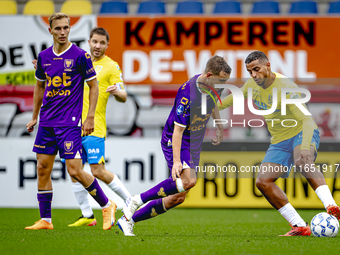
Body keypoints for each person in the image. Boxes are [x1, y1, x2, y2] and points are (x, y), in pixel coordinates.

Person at [218, 51, 340, 236]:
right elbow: (230, 100)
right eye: (250, 71)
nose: (253, 75)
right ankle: (299, 226)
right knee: (263, 182)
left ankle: (331, 206)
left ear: (268, 66)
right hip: (280, 140)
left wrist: (306, 146)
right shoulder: (252, 85)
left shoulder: (286, 88)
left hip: (302, 132)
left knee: (302, 161)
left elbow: (307, 120)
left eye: (257, 70)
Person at [117, 55, 231, 236]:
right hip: (177, 140)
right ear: (209, 75)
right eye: (221, 81)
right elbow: (177, 131)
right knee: (189, 181)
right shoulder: (188, 94)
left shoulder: (211, 86)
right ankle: (136, 199)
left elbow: (213, 101)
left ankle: (128, 220)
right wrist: (177, 161)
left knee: (177, 198)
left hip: (193, 143)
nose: (223, 86)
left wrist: (218, 125)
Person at [25, 13, 116, 230]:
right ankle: (46, 220)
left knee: (75, 170)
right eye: (58, 29)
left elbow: (94, 86)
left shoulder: (80, 55)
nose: (63, 32)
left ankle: (106, 205)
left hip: (69, 123)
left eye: (66, 28)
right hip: (47, 122)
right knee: (42, 168)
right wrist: (34, 116)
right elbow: (39, 87)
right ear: (51, 31)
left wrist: (90, 116)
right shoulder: (44, 57)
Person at [68, 27, 131, 227]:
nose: (97, 46)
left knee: (97, 171)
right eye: (95, 41)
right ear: (89, 41)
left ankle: (130, 202)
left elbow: (123, 95)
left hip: (94, 127)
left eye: (102, 43)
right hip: (72, 127)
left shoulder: (111, 66)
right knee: (74, 171)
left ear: (107, 45)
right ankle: (87, 215)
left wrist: (116, 93)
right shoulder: (80, 62)